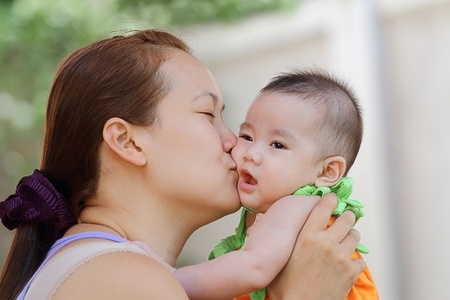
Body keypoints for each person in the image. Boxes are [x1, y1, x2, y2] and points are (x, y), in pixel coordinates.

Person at [0, 29, 365, 299]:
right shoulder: (127, 281)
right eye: (208, 114)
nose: (233, 143)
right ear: (128, 142)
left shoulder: (100, 269)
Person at [201, 69, 378, 299]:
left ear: (326, 172)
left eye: (277, 145)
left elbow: (253, 268)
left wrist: (172, 280)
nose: (251, 153)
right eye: (246, 137)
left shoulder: (295, 208)